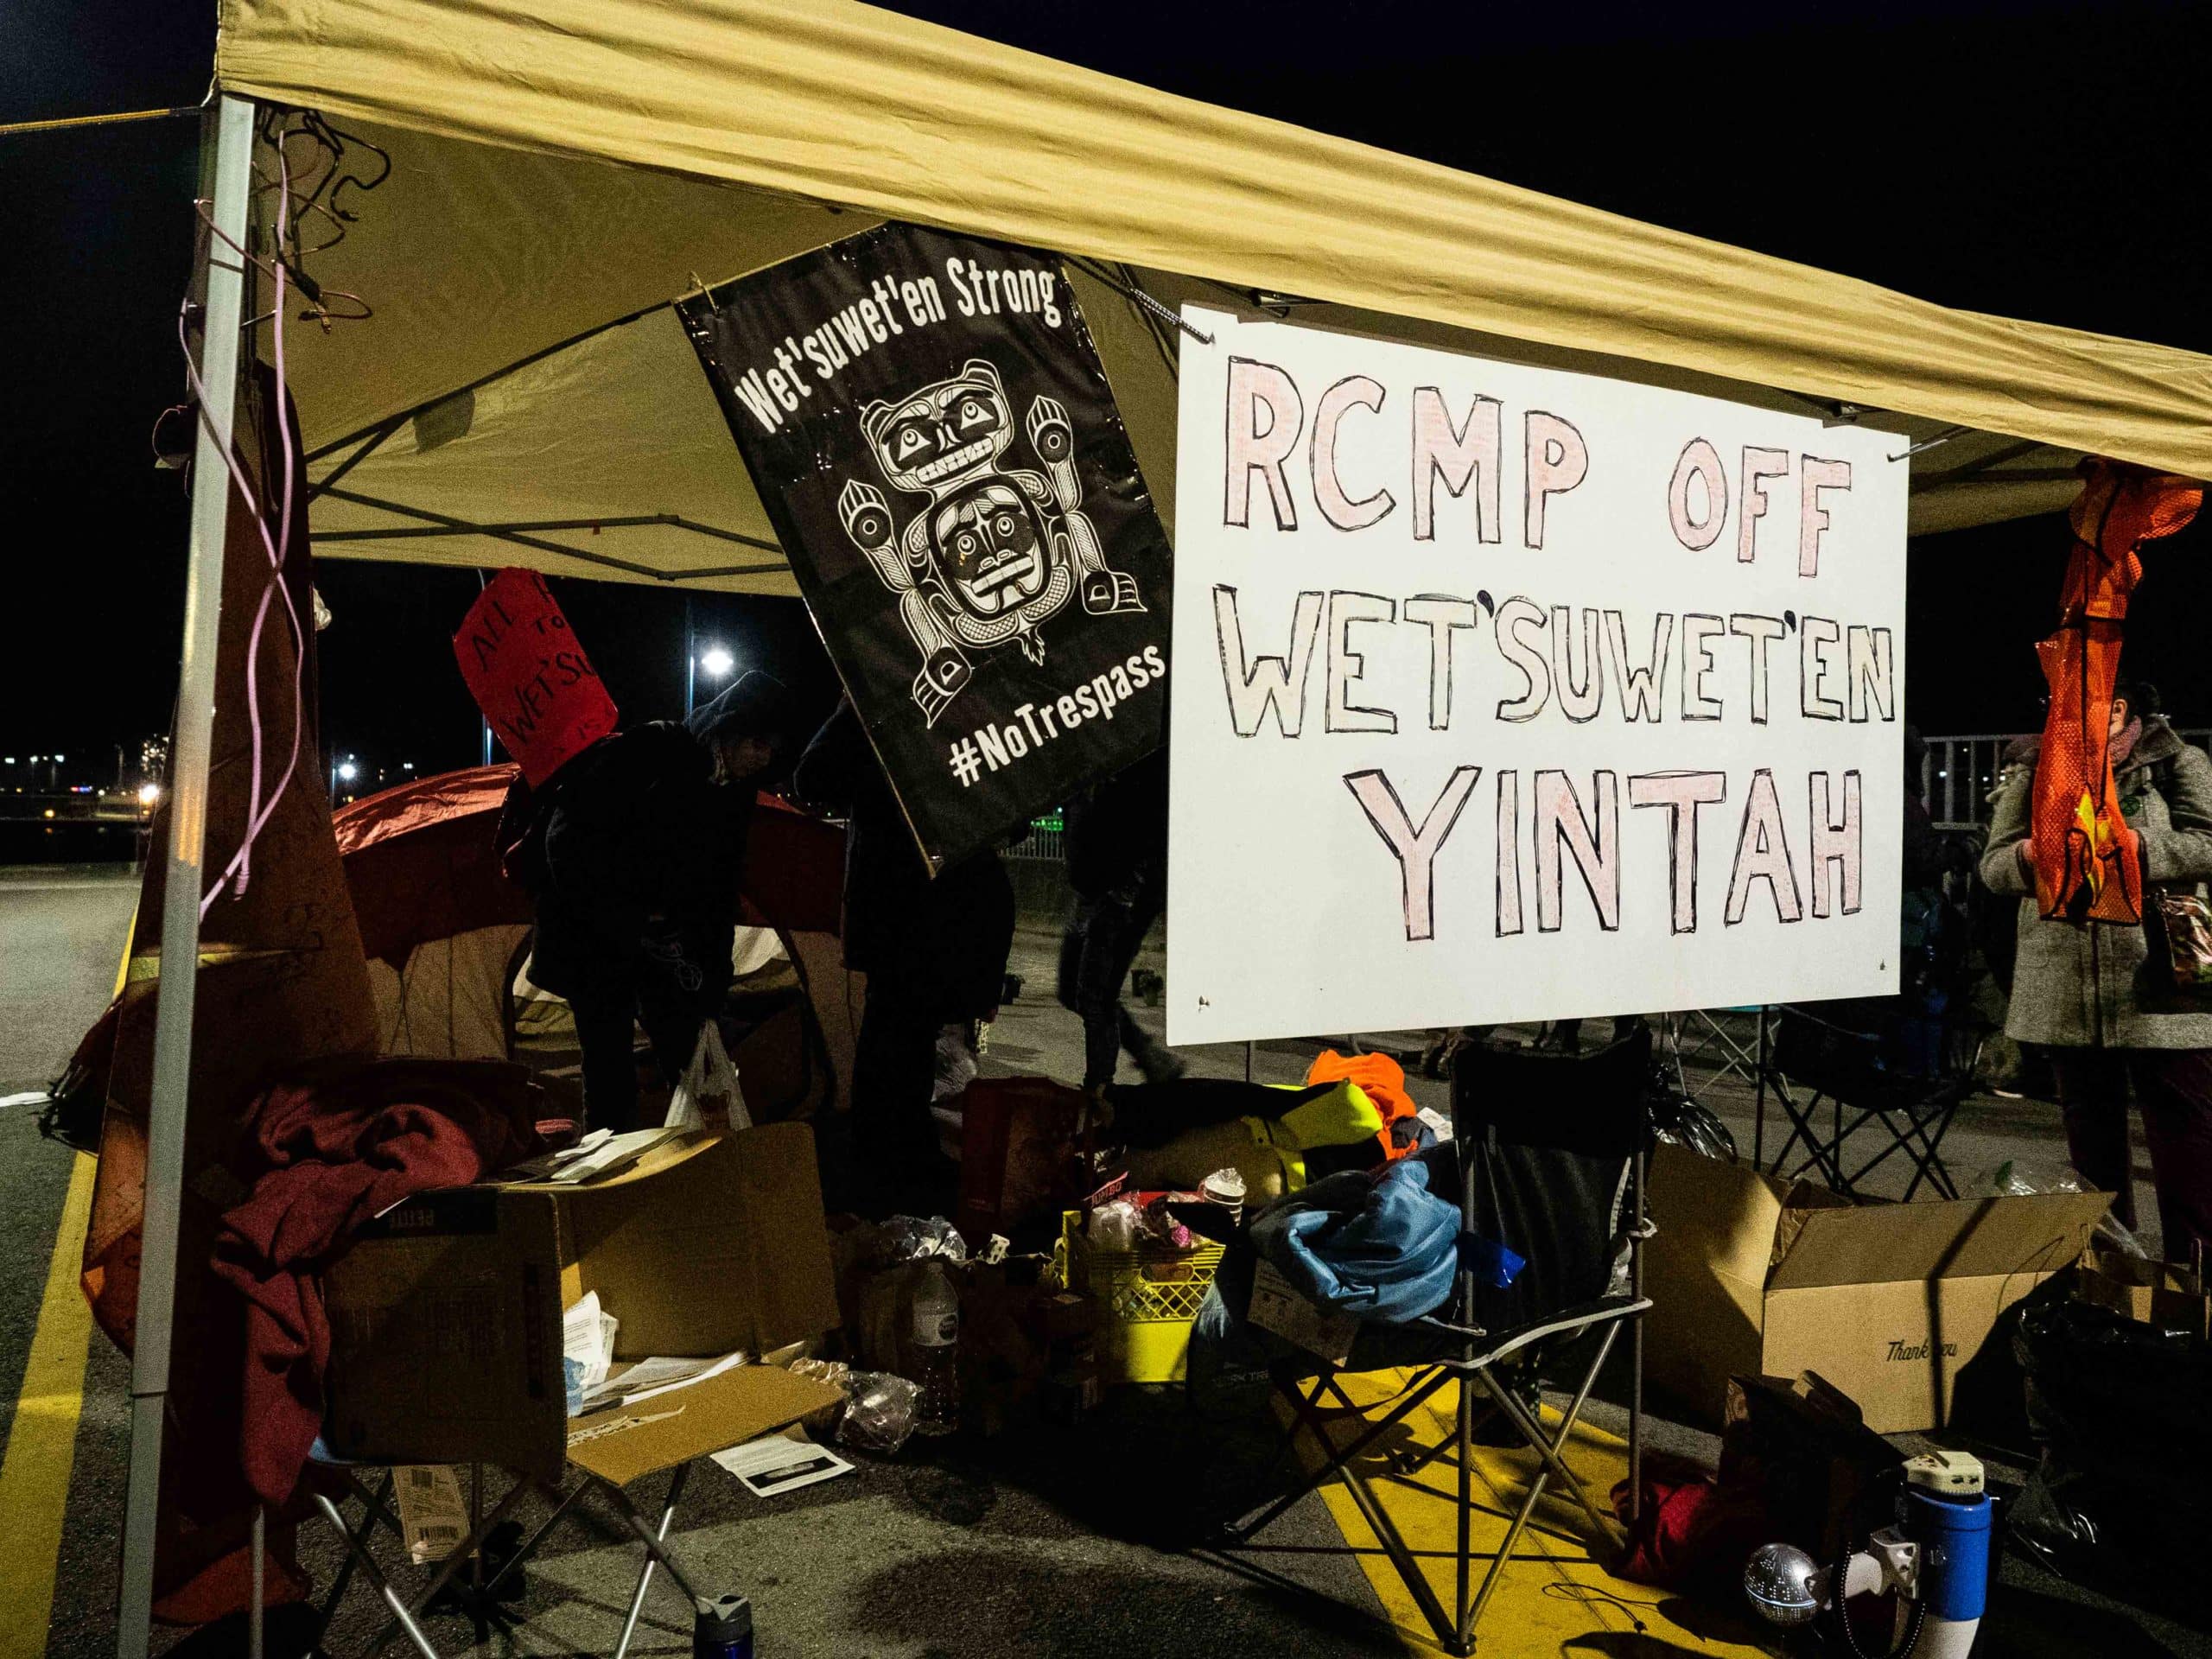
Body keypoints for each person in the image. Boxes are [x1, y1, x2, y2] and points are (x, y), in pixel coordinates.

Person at [502, 671, 798, 1133]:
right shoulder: (653, 750)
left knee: (689, 1049)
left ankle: (694, 1158)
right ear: (730, 729)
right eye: (758, 744)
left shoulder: (735, 793)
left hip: (658, 941)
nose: (763, 759)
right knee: (608, 1061)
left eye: (772, 751)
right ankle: (611, 1160)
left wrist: (714, 975)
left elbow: (720, 887)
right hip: (592, 934)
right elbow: (567, 836)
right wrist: (621, 916)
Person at [1979, 676, 2212, 1255]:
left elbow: (2208, 842)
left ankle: (2193, 1281)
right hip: (2067, 987)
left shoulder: (2177, 762)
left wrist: (2139, 848)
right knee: (2091, 1152)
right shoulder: (2035, 767)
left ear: (2120, 708)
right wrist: (2030, 856)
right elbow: (1993, 866)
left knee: (2186, 1140)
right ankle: (2110, 1278)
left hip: (2163, 982)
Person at [792, 696, 1014, 1211]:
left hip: (942, 905)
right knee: (893, 1036)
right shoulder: (878, 698)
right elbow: (813, 779)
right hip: (899, 909)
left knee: (911, 1038)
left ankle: (903, 1157)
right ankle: (883, 1167)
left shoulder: (975, 704)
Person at [1058, 749, 1183, 1094]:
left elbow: (1153, 825)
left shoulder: (1141, 756)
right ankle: (1147, 1056)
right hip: (1090, 885)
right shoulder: (1092, 753)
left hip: (1120, 894)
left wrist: (1124, 894)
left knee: (1095, 995)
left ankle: (1100, 1091)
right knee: (1072, 989)